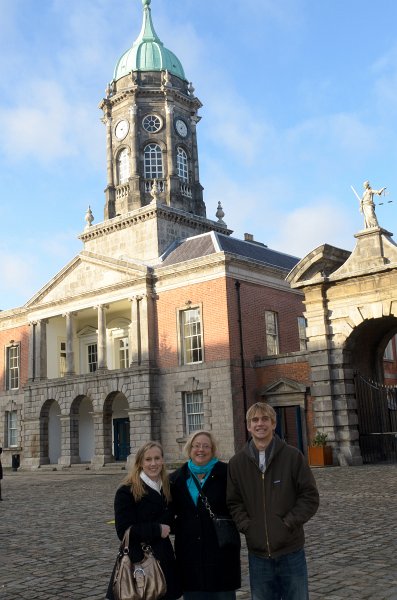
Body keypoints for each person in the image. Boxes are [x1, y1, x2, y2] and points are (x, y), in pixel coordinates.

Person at [227, 402, 319, 600]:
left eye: (265, 419)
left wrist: (287, 523)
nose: (260, 424)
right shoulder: (237, 463)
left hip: (291, 551)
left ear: (273, 424)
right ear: (248, 426)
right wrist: (248, 527)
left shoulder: (293, 456)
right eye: (255, 420)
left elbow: (309, 496)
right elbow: (234, 502)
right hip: (258, 554)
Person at [170, 430, 241, 600]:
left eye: (206, 446)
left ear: (213, 449)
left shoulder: (227, 473)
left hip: (221, 553)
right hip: (190, 556)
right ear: (190, 449)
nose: (200, 450)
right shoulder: (176, 478)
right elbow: (169, 511)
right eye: (196, 446)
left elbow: (239, 504)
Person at [106, 441, 182, 600]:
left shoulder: (167, 487)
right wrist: (157, 529)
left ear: (162, 460)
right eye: (148, 459)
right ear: (140, 462)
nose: (153, 463)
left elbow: (171, 520)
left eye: (157, 458)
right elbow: (123, 531)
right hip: (138, 562)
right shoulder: (127, 491)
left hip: (165, 559)